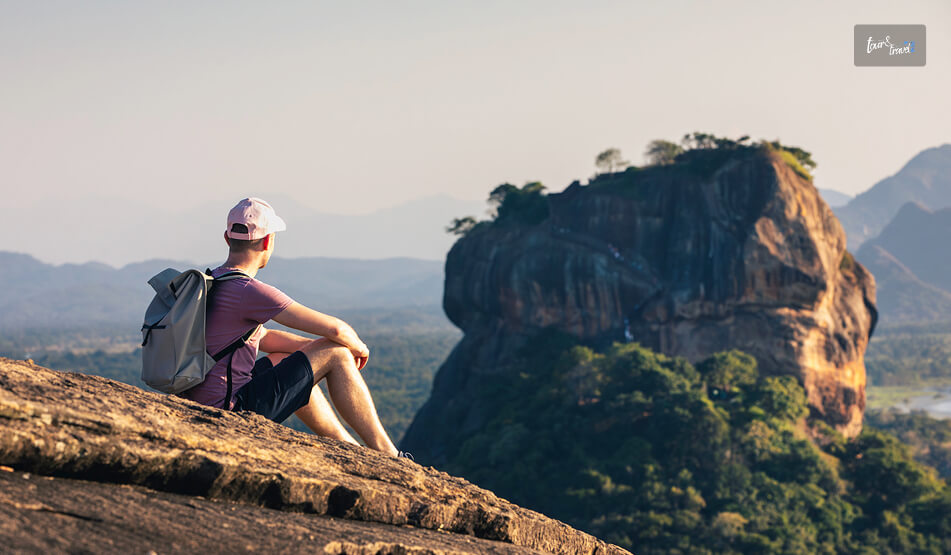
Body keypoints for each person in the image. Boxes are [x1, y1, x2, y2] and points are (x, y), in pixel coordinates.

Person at [179, 197, 406, 458]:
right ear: (267, 242)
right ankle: (389, 454)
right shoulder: (248, 291)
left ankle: (349, 448)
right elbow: (335, 330)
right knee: (338, 353)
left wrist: (313, 354)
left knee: (285, 360)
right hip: (229, 410)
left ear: (227, 239)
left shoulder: (214, 281)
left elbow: (263, 337)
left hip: (202, 402)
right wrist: (357, 348)